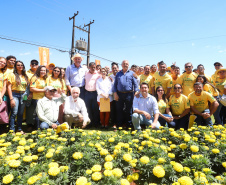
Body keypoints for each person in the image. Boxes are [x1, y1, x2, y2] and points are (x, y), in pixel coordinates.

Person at [113, 60, 139, 128]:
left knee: (129, 110)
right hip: (119, 94)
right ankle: (119, 125)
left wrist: (136, 92)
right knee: (119, 110)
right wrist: (115, 93)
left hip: (129, 94)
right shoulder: (118, 74)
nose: (125, 65)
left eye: (127, 64)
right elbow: (115, 85)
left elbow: (135, 85)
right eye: (124, 64)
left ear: (128, 65)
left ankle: (129, 125)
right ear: (121, 65)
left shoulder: (132, 73)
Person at [7, 61, 29, 133]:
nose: (20, 66)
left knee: (20, 113)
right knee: (14, 112)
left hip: (23, 95)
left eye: (21, 65)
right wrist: (11, 99)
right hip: (15, 95)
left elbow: (27, 87)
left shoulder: (25, 76)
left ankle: (19, 129)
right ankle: (12, 130)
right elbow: (9, 87)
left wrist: (27, 95)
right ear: (15, 66)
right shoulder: (12, 75)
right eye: (18, 65)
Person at [84, 62, 101, 128]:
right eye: (92, 67)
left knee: (95, 108)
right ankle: (89, 123)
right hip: (87, 93)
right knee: (88, 108)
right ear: (89, 67)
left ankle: (96, 123)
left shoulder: (98, 74)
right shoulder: (86, 73)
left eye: (94, 67)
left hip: (95, 93)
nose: (93, 68)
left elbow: (103, 78)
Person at [26, 60, 39, 129]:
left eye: (36, 64)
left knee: (37, 110)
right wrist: (30, 93)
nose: (34, 65)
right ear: (30, 65)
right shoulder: (26, 73)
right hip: (28, 93)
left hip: (38, 94)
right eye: (32, 64)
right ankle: (29, 124)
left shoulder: (39, 73)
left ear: (38, 65)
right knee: (29, 109)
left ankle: (36, 124)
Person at [109, 62, 119, 128]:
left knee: (120, 110)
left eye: (115, 68)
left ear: (118, 68)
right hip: (112, 96)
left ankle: (120, 123)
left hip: (120, 95)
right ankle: (114, 123)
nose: (114, 69)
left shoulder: (120, 75)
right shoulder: (109, 76)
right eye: (113, 68)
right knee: (113, 110)